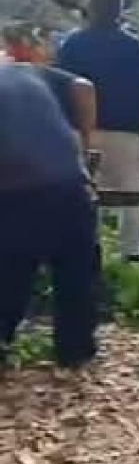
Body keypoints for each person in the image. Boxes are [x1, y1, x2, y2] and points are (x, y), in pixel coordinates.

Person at [0, 63, 98, 369]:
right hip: (72, 185)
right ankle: (75, 352)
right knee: (77, 272)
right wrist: (87, 143)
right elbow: (84, 86)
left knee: (10, 275)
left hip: (17, 192)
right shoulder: (28, 71)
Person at [58, 0, 139, 260]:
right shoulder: (134, 45)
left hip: (85, 132)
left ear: (89, 8)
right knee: (131, 197)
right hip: (126, 132)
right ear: (119, 9)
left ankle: (89, 252)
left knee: (87, 197)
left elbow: (62, 88)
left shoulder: (72, 45)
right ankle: (134, 256)